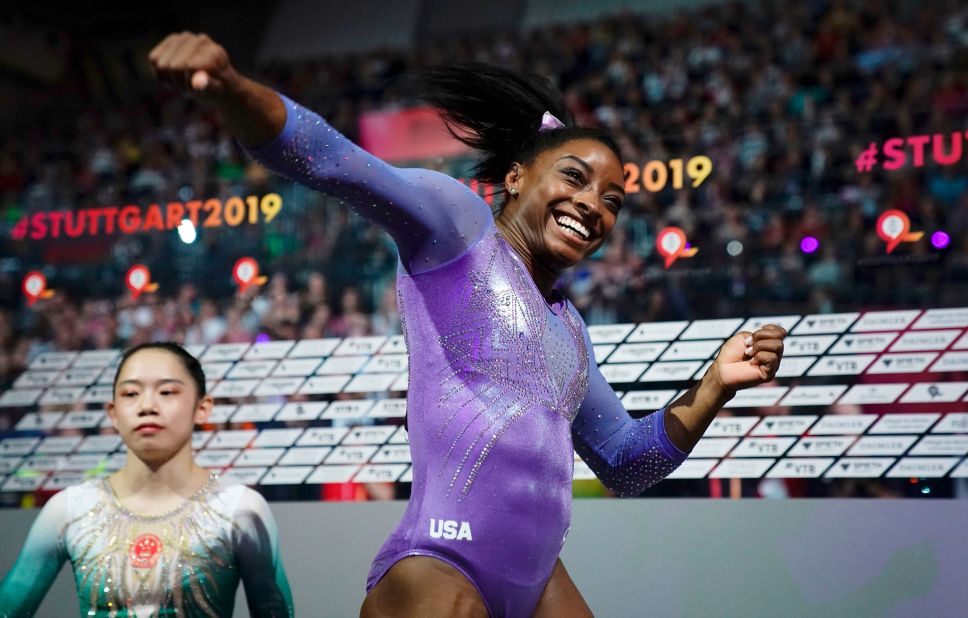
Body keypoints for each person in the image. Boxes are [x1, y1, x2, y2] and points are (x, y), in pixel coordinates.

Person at [146, 33, 786, 617]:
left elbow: (625, 465)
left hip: (539, 584)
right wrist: (230, 86)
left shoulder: (571, 330)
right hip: (438, 568)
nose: (593, 205)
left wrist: (714, 388)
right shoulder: (458, 229)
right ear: (514, 177)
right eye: (575, 178)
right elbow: (331, 161)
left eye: (612, 201)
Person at [0, 342, 294, 617]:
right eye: (131, 394)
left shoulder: (239, 510)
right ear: (113, 414)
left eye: (167, 392)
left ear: (202, 408)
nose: (147, 406)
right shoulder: (70, 509)